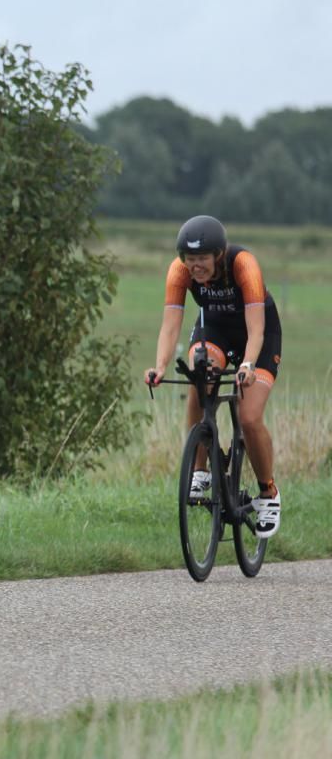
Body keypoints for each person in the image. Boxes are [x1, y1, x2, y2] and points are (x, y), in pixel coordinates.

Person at [144, 215, 283, 537]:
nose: (195, 266)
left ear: (218, 255)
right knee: (199, 373)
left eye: (202, 258)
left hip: (257, 335)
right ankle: (200, 468)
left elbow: (256, 329)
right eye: (189, 258)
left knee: (249, 417)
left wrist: (247, 365)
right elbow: (170, 325)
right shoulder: (179, 271)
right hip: (215, 330)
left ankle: (268, 493)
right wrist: (160, 366)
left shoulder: (243, 264)